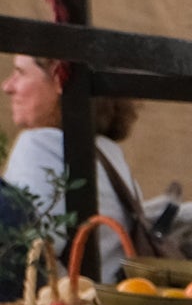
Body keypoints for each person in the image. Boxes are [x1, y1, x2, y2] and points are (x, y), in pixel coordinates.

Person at [2, 55, 141, 278]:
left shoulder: (40, 145)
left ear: (58, 79)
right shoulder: (109, 153)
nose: (8, 86)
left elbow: (19, 250)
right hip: (102, 303)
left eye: (21, 72)